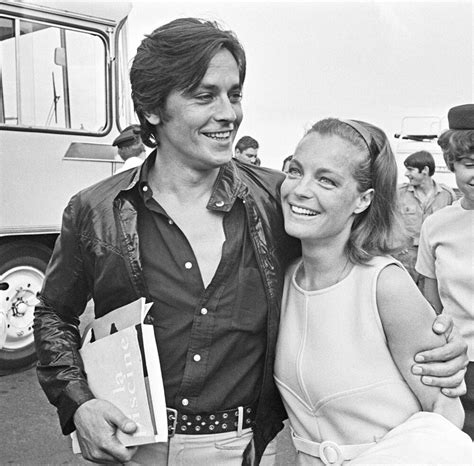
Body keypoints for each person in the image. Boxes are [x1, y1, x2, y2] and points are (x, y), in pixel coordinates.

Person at [33, 18, 467, 466]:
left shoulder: (279, 201)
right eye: (205, 96)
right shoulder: (94, 209)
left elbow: (357, 269)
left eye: (234, 94)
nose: (229, 113)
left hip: (239, 449)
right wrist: (78, 402)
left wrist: (436, 341)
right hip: (129, 444)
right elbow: (53, 313)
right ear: (153, 110)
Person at [274, 118, 471, 464]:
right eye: (294, 171)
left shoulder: (385, 284)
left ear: (363, 200)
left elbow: (444, 409)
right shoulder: (282, 280)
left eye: (327, 180)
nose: (301, 189)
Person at [416, 103, 474, 440]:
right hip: (459, 371)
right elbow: (432, 308)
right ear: (452, 163)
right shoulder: (436, 226)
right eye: (469, 164)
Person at [396, 150, 456, 284]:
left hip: (433, 259)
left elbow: (452, 226)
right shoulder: (399, 193)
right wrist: (395, 243)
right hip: (405, 257)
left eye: (410, 170)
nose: (406, 174)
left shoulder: (446, 195)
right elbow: (386, 219)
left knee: (430, 299)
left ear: (425, 170)